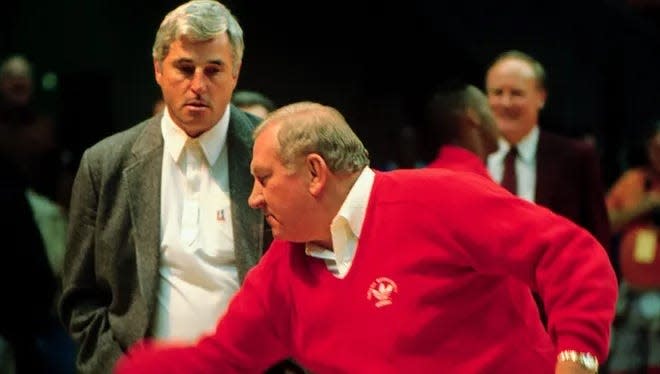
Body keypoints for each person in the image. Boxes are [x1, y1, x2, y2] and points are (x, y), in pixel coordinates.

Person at [115, 101, 617, 374]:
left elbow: (572, 254)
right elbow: (224, 360)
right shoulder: (285, 268)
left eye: (264, 178)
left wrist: (577, 357)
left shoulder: (438, 199)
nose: (253, 198)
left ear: (314, 173)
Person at [58, 1, 277, 373]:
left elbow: (310, 280)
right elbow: (80, 299)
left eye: (213, 69)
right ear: (158, 69)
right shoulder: (104, 163)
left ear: (236, 73)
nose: (198, 85)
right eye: (184, 68)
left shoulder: (273, 155)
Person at [485, 50, 611, 249]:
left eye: (516, 93)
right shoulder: (472, 158)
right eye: (497, 93)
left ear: (541, 97)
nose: (505, 103)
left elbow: (598, 236)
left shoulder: (576, 158)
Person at [605, 121, 660, 374]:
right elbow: (605, 221)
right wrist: (645, 205)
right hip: (630, 294)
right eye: (656, 148)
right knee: (622, 364)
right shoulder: (634, 181)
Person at [425, 82, 499, 177]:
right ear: (473, 117)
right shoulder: (485, 187)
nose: (497, 120)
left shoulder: (416, 182)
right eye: (491, 110)